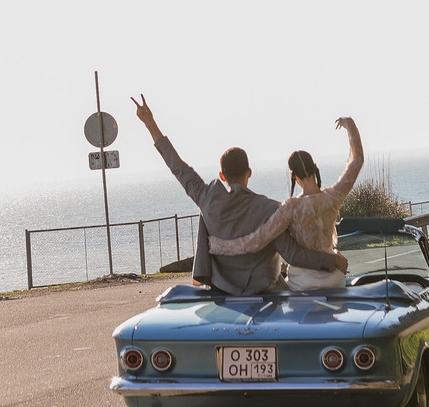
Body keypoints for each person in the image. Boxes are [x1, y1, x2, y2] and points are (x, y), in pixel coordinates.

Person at [132, 96, 346, 293]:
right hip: (265, 292)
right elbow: (293, 254)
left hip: (221, 291)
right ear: (249, 173)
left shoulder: (206, 198)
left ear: (222, 176)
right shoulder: (270, 209)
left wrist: (150, 123)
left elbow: (177, 167)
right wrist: (332, 260)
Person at [209, 117, 365, 293]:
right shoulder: (334, 196)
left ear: (294, 177)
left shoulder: (290, 208)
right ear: (314, 169)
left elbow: (255, 241)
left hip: (303, 282)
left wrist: (218, 245)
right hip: (334, 279)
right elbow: (357, 161)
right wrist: (349, 125)